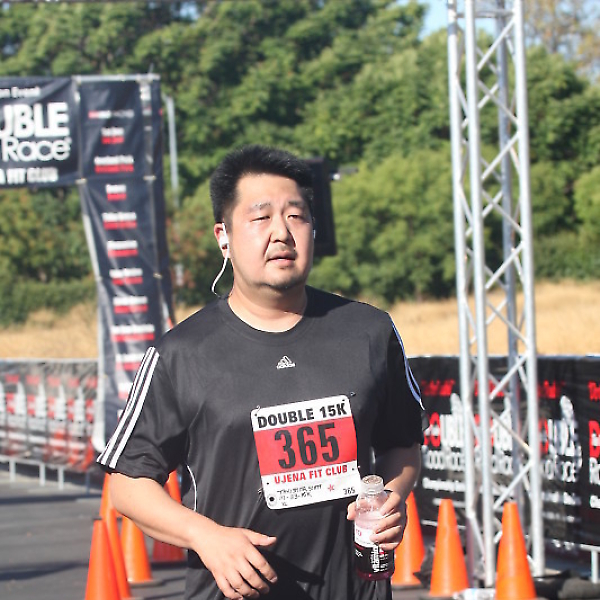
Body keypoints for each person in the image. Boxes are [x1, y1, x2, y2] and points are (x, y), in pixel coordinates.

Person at [98, 144, 424, 600]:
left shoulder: (369, 331)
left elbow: (402, 444)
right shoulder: (181, 354)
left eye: (296, 216)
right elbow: (128, 484)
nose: (281, 233)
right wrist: (205, 537)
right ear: (224, 236)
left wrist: (391, 497)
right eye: (261, 217)